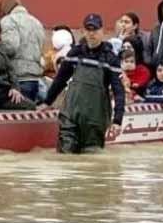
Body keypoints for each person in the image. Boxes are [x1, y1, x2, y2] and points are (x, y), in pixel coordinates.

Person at [40, 13, 125, 154]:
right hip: (70, 116)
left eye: (95, 30)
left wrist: (117, 120)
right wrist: (47, 102)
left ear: (102, 31)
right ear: (83, 31)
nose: (91, 34)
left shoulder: (110, 59)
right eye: (88, 30)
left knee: (91, 160)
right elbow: (60, 80)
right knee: (65, 157)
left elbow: (118, 91)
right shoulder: (75, 53)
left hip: (95, 121)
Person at [0, 0, 47, 102]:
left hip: (17, 78)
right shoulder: (36, 22)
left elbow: (10, 47)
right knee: (29, 116)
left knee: (15, 116)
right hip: (35, 78)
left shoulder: (8, 20)